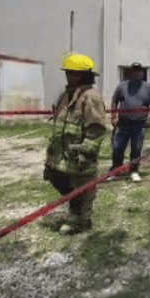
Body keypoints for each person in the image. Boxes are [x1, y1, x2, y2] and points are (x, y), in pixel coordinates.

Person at [44, 53, 107, 235]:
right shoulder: (65, 95)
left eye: (72, 73)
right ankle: (76, 212)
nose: (68, 76)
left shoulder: (90, 97)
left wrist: (85, 152)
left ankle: (81, 221)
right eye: (68, 72)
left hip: (79, 154)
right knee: (57, 178)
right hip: (61, 154)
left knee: (83, 188)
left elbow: (96, 129)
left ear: (82, 75)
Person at [109, 62, 150, 182]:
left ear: (142, 73)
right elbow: (114, 100)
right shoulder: (122, 86)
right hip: (123, 123)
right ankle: (116, 170)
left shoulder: (149, 88)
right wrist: (113, 117)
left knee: (136, 149)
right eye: (134, 71)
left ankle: (133, 170)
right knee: (117, 148)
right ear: (130, 72)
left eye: (139, 71)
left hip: (139, 125)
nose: (137, 73)